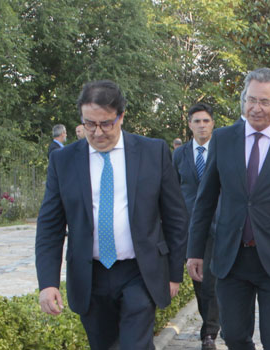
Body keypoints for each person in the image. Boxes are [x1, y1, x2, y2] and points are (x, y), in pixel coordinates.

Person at [36, 80, 187, 350]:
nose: (97, 132)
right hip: (89, 274)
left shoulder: (152, 152)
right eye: (89, 124)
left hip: (139, 271)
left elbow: (175, 216)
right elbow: (50, 226)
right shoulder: (64, 161)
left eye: (105, 123)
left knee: (135, 345)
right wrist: (47, 283)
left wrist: (174, 273)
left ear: (121, 116)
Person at [186, 67, 270, 350]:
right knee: (233, 336)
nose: (255, 108)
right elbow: (205, 199)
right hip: (231, 257)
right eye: (250, 99)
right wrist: (195, 250)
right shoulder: (222, 139)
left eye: (264, 102)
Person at [172, 102, 219, 350]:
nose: (202, 125)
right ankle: (208, 323)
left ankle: (209, 332)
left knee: (213, 279)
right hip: (190, 227)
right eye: (197, 121)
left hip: (218, 225)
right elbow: (171, 190)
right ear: (189, 124)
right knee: (198, 279)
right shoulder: (179, 154)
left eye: (206, 120)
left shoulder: (222, 150)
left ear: (213, 123)